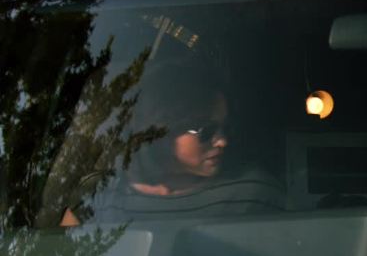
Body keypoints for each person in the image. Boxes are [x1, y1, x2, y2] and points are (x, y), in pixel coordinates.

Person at [60, 62, 284, 225]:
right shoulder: (100, 194)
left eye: (225, 128)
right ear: (161, 131)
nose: (222, 141)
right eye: (206, 131)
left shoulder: (252, 195)